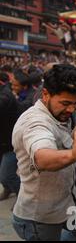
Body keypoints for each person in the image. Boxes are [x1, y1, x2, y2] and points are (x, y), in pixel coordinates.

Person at [11, 64, 76, 241]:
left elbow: (62, 141)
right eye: (65, 103)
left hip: (68, 204)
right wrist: (75, 154)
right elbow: (43, 158)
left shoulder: (56, 114)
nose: (71, 110)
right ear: (45, 94)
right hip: (41, 219)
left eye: (75, 103)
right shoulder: (34, 123)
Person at [0, 71, 19, 201]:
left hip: (8, 142)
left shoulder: (6, 95)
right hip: (3, 140)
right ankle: (7, 189)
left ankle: (23, 198)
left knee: (8, 174)